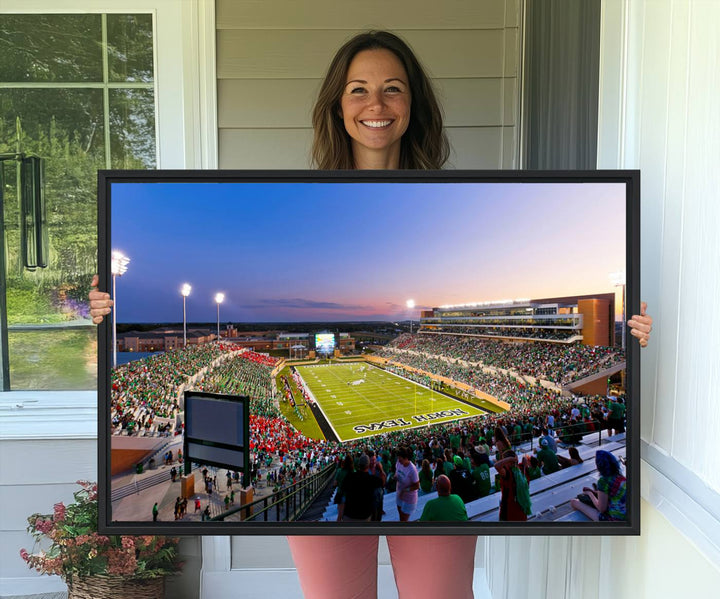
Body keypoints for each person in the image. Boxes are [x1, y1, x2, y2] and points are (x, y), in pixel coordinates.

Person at [89, 29, 653, 599]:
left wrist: (630, 336)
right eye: (358, 89)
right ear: (338, 104)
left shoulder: (451, 199)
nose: (375, 105)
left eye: (393, 89)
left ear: (413, 105)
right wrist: (106, 310)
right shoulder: (309, 195)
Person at [570, 450, 626, 521]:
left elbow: (601, 508)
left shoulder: (603, 481)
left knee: (574, 502)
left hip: (613, 520)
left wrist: (590, 493)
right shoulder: (622, 478)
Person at [340, 454, 383, 522]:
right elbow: (383, 483)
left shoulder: (349, 477)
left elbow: (342, 490)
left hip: (348, 516)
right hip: (364, 517)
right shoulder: (372, 480)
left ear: (359, 465)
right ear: (368, 466)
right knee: (379, 491)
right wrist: (381, 470)